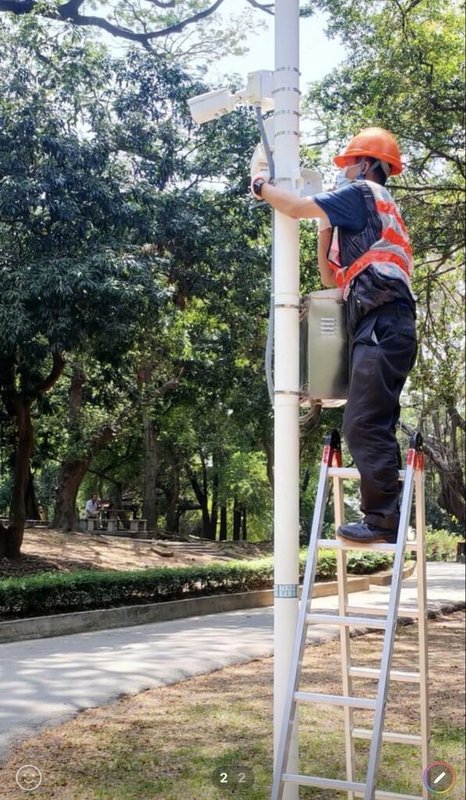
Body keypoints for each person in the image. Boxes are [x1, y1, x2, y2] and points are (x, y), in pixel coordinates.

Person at [250, 127, 417, 544]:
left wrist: (259, 185)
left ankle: (382, 521)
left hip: (382, 322)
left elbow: (291, 206)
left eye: (348, 165)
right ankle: (386, 515)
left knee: (361, 423)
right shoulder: (367, 216)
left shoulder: (362, 192)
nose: (343, 172)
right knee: (372, 420)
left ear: (366, 165)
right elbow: (330, 274)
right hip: (384, 324)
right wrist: (327, 224)